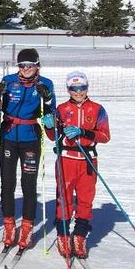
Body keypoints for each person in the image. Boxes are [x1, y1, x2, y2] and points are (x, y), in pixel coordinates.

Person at [44, 71, 110, 259]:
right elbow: (53, 137)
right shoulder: (62, 109)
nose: (78, 92)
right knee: (63, 198)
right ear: (68, 89)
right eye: (74, 89)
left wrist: (84, 132)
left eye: (82, 88)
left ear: (87, 88)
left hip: (87, 160)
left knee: (85, 199)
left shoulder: (97, 109)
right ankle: (63, 235)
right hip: (66, 159)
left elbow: (105, 136)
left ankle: (80, 236)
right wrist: (49, 126)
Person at [0, 48, 56, 250]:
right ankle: (9, 226)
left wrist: (47, 100)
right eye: (22, 65)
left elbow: (51, 112)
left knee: (28, 184)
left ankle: (27, 228)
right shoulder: (9, 80)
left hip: (30, 136)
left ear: (37, 65)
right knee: (7, 182)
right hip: (8, 135)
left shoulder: (45, 83)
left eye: (30, 65)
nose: (26, 69)